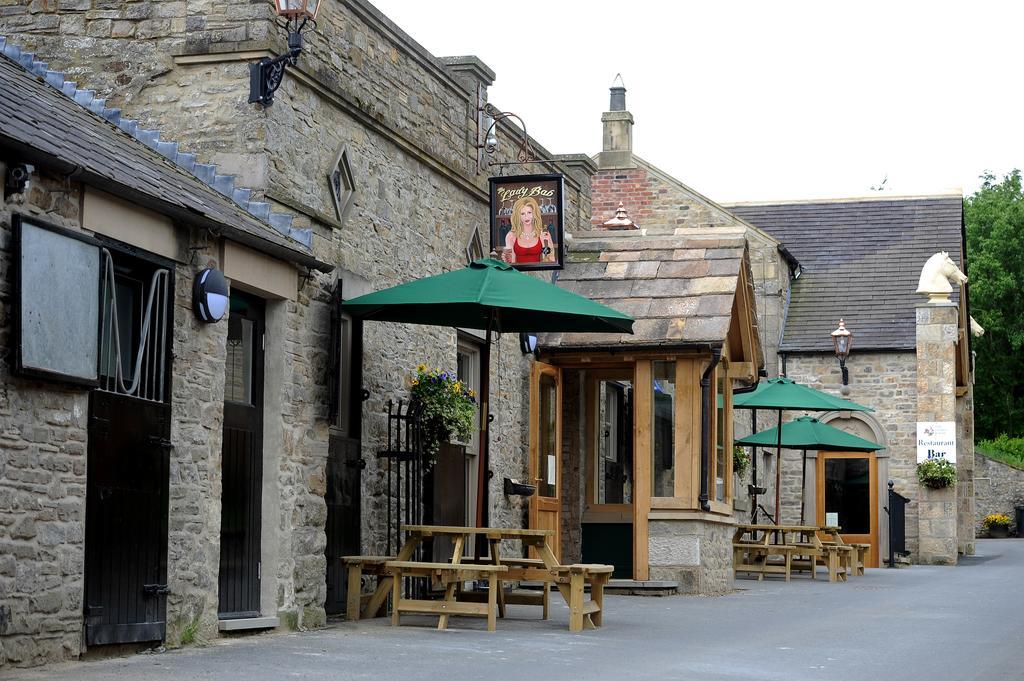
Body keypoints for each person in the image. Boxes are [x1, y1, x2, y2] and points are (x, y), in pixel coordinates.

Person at [500, 196, 555, 264]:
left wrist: (544, 244)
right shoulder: (511, 235)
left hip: (539, 272)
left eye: (529, 212)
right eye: (522, 214)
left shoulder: (543, 233)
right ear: (518, 216)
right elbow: (511, 263)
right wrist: (506, 258)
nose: (526, 216)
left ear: (534, 214)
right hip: (519, 273)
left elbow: (550, 260)